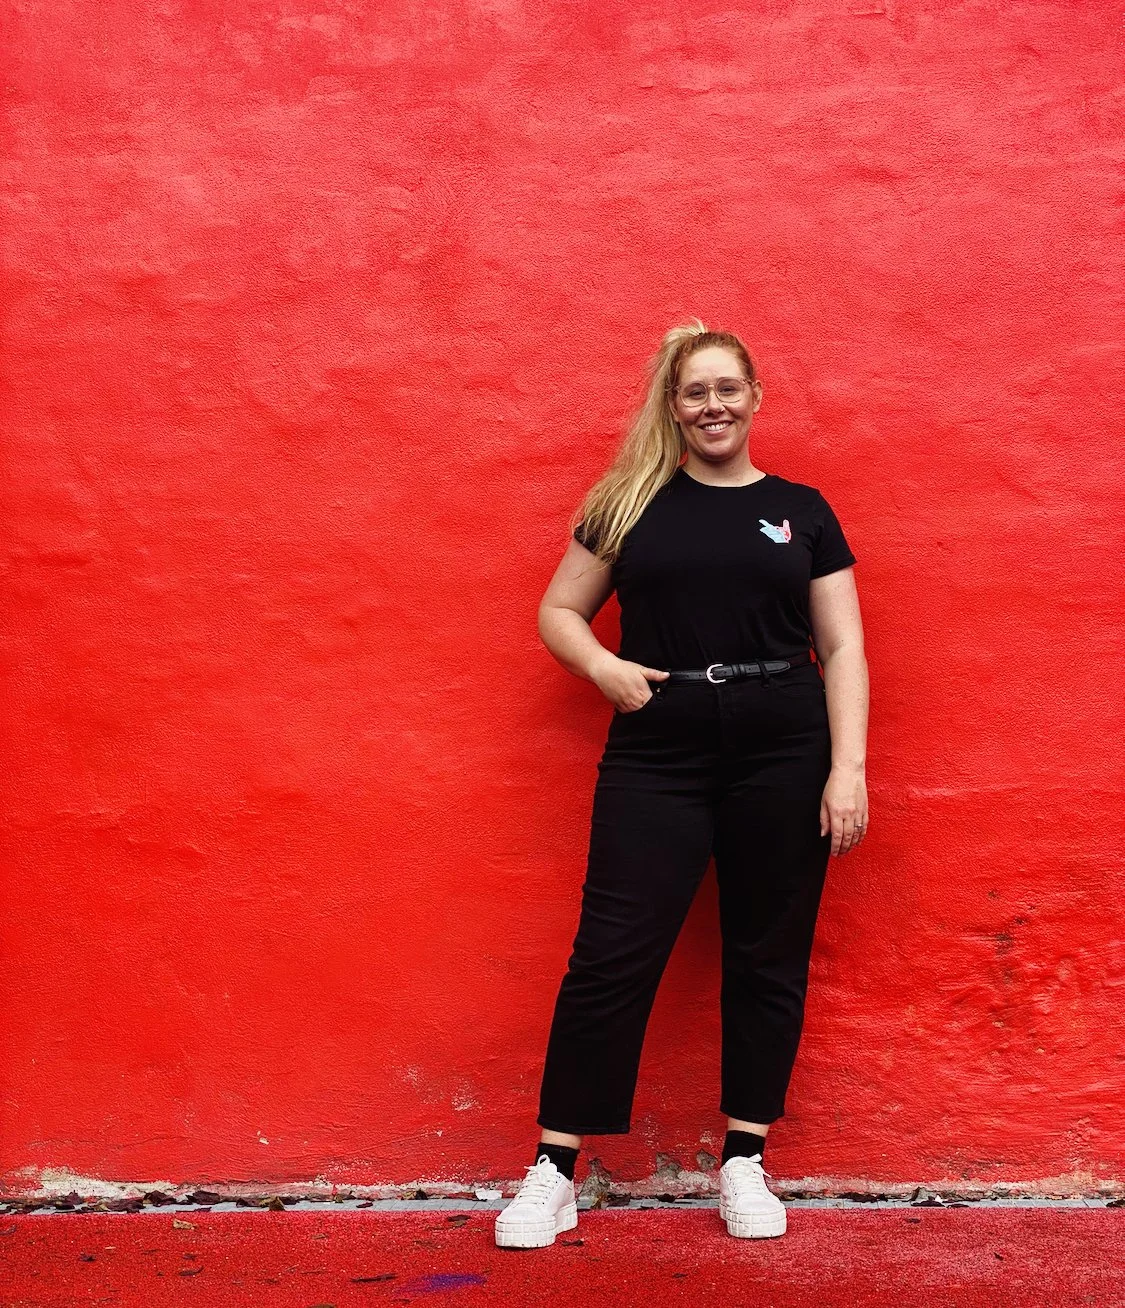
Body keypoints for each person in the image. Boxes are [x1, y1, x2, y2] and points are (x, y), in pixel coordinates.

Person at [494, 321, 869, 1249]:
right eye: (695, 392)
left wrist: (846, 768)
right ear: (673, 404)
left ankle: (742, 1158)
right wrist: (603, 668)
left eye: (727, 390)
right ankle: (553, 1169)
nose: (713, 406)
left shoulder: (802, 508)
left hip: (783, 740)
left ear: (754, 397)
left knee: (765, 951)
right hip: (657, 748)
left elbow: (842, 645)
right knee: (612, 951)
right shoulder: (629, 505)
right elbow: (557, 609)